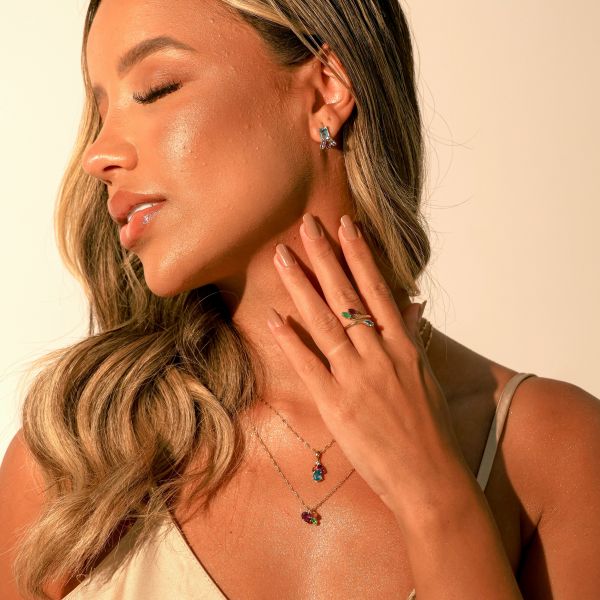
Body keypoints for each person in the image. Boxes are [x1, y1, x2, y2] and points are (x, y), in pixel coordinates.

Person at [1, 0, 599, 598]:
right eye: (100, 110)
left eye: (156, 89)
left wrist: (435, 497)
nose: (98, 154)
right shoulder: (77, 463)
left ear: (326, 89)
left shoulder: (555, 452)